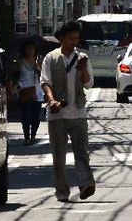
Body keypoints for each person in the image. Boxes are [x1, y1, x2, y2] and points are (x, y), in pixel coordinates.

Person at [40, 20, 96, 204]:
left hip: (78, 113)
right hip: (57, 115)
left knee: (82, 152)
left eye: (77, 39)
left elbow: (88, 84)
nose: (74, 42)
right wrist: (51, 100)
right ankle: (62, 192)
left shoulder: (82, 59)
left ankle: (86, 184)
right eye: (71, 38)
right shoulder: (51, 57)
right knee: (58, 157)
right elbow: (45, 82)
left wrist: (83, 71)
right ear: (62, 38)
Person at [16, 39, 44, 145]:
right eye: (28, 49)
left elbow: (44, 76)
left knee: (35, 117)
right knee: (26, 116)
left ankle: (33, 136)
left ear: (35, 50)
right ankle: (26, 137)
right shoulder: (20, 61)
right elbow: (15, 75)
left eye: (32, 49)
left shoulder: (39, 60)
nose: (30, 51)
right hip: (25, 91)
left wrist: (39, 68)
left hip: (37, 93)